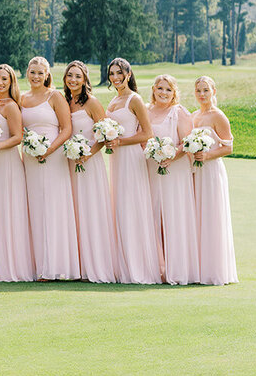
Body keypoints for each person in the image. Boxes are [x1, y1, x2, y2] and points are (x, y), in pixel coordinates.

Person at [19, 56, 80, 280]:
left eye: (40, 73)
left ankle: (58, 266)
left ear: (47, 75)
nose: (36, 76)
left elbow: (66, 129)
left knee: (54, 208)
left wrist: (49, 150)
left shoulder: (54, 96)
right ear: (27, 73)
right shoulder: (22, 98)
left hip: (53, 158)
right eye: (32, 72)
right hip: (31, 160)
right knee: (36, 208)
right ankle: (41, 265)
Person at [104, 57, 160, 285]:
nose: (115, 77)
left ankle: (139, 268)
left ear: (128, 74)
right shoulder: (113, 101)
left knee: (132, 208)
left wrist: (121, 141)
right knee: (120, 208)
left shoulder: (134, 100)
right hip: (117, 159)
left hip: (131, 158)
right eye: (112, 74)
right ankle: (123, 265)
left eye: (119, 73)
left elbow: (147, 133)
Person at [62, 60, 117, 283]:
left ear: (85, 80)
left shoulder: (92, 103)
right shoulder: (64, 101)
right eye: (69, 76)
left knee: (90, 210)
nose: (73, 80)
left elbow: (104, 135)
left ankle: (95, 266)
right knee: (73, 212)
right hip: (68, 163)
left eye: (77, 76)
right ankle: (76, 266)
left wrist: (88, 153)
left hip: (88, 162)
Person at [0, 64, 34, 282]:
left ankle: (13, 266)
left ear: (11, 82)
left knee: (9, 210)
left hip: (7, 164)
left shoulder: (11, 105)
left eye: (4, 79)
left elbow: (18, 137)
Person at [145, 73, 199, 285]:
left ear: (174, 92)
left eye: (168, 89)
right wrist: (153, 154)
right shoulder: (147, 111)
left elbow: (187, 143)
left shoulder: (179, 112)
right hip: (151, 170)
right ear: (154, 90)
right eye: (160, 88)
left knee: (172, 217)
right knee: (154, 217)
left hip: (174, 172)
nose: (164, 93)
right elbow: (143, 138)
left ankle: (176, 268)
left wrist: (169, 157)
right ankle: (158, 267)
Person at [191, 76, 237, 286]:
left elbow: (228, 147)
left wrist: (207, 156)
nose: (202, 94)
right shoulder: (193, 116)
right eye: (199, 90)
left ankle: (214, 270)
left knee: (211, 216)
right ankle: (197, 267)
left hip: (210, 172)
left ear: (213, 92)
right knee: (196, 217)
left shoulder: (218, 116)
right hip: (194, 173)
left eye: (206, 90)